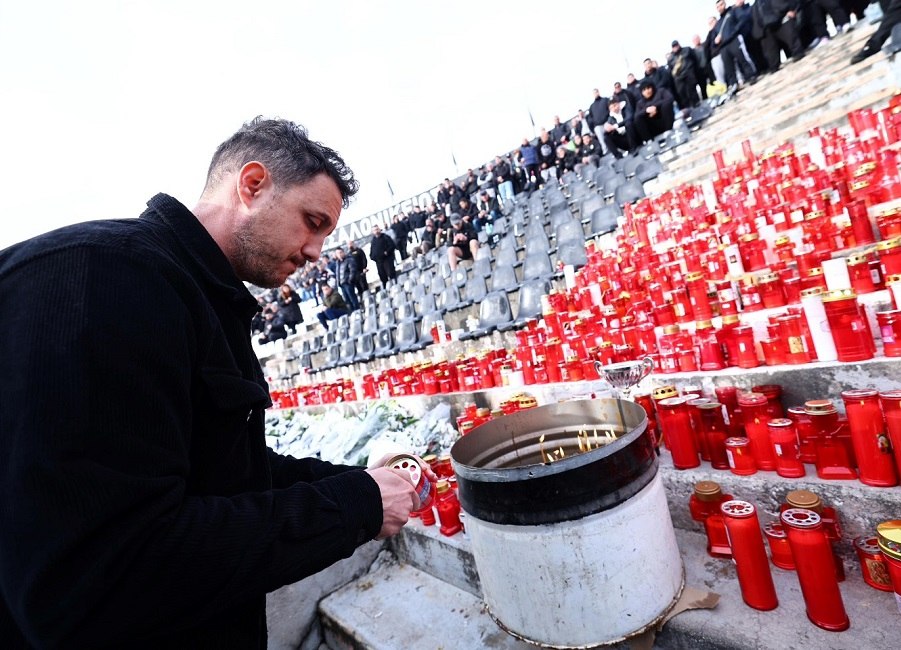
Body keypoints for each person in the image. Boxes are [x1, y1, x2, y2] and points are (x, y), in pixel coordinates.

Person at [0, 117, 429, 647]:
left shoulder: (194, 295)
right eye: (311, 221)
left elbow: (225, 471)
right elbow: (109, 569)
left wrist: (354, 481)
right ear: (252, 186)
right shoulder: (107, 280)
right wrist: (354, 505)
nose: (317, 251)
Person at [369, 224, 397, 288]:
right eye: (374, 230)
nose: (376, 231)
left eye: (377, 229)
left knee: (391, 274)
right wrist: (373, 257)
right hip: (379, 262)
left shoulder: (385, 237)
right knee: (383, 277)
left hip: (387, 260)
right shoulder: (373, 241)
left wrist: (386, 252)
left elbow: (392, 246)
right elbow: (372, 252)